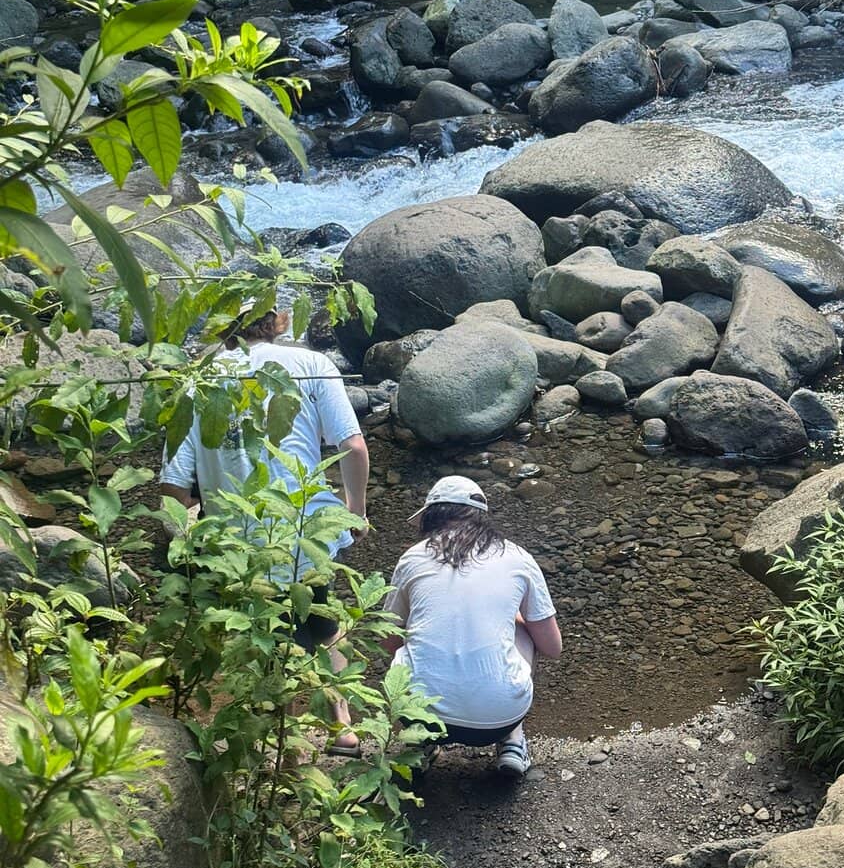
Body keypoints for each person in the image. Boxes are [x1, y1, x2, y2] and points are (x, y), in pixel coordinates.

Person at [159, 303, 369, 755]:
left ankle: (273, 745)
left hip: (237, 541)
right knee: (323, 618)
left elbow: (174, 483)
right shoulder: (313, 364)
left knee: (258, 634)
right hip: (306, 529)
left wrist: (190, 532)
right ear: (281, 321)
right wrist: (356, 509)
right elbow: (352, 447)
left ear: (225, 324)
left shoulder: (200, 378)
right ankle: (343, 727)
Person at [383, 476, 562, 777]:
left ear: (431, 516)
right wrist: (514, 621)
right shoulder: (518, 557)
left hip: (419, 717)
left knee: (409, 635)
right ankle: (512, 742)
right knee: (521, 627)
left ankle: (421, 744)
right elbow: (553, 648)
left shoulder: (412, 558)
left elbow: (388, 642)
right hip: (497, 719)